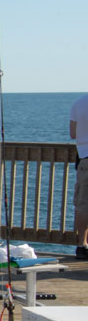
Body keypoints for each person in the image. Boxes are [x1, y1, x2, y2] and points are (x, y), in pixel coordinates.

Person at [71, 93, 88, 259]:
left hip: (85, 159)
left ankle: (82, 244)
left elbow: (73, 133)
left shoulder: (78, 103)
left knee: (83, 204)